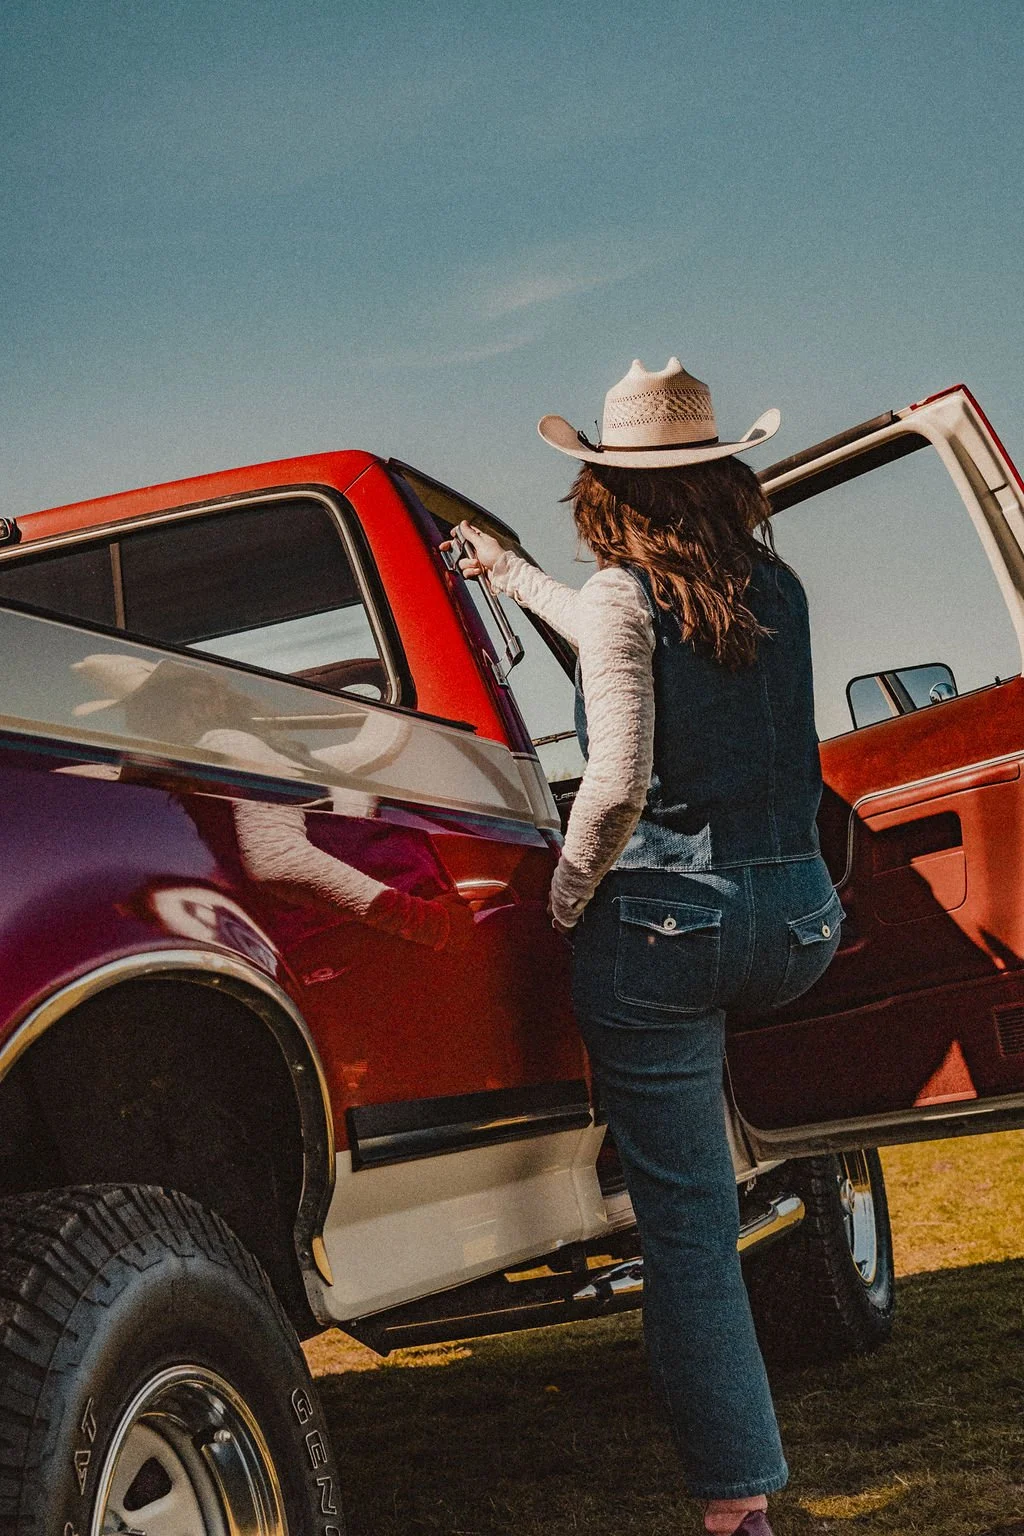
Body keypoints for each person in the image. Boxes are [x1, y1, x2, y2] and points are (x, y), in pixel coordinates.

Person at [454, 357, 845, 1536]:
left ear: (605, 491)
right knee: (705, 1183)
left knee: (689, 1234)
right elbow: (617, 636)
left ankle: (739, 1510)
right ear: (723, 476)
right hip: (800, 920)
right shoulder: (776, 586)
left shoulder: (628, 597)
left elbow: (617, 777)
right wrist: (507, 573)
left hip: (678, 927)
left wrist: (570, 897)